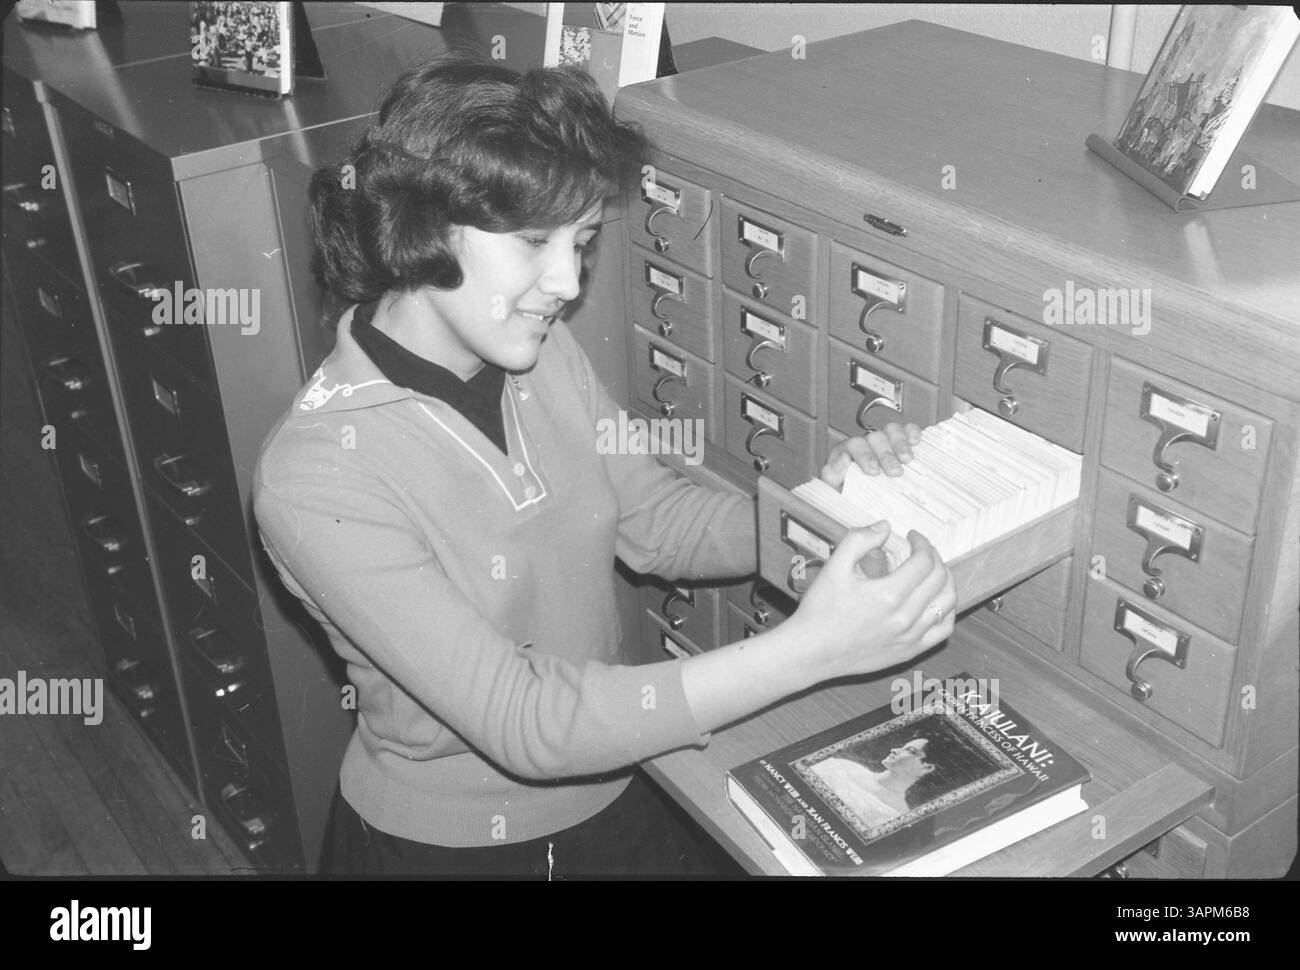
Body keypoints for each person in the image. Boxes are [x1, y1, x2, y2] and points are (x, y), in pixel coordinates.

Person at [252, 54, 957, 877]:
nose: (567, 281)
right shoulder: (312, 477)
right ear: (421, 227)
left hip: (614, 784)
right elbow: (523, 720)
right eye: (532, 241)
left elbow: (658, 523)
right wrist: (812, 649)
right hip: (447, 850)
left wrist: (822, 508)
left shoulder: (538, 353)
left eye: (582, 241)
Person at [811, 737, 936, 827]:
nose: (894, 750)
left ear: (927, 767)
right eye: (902, 747)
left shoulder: (896, 817)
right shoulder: (841, 767)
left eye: (910, 750)